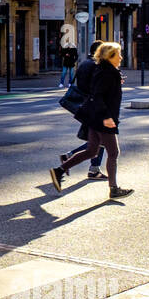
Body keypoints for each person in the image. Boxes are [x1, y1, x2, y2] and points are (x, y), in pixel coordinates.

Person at [50, 41, 131, 199]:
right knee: (113, 153)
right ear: (110, 56)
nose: (121, 57)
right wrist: (107, 117)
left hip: (93, 116)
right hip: (102, 118)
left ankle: (58, 171)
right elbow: (98, 95)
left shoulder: (105, 70)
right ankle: (114, 189)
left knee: (92, 150)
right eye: (118, 54)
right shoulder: (108, 72)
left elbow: (99, 90)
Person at [59, 40, 106, 180]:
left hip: (84, 105)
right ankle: (88, 167)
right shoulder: (96, 65)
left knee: (97, 140)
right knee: (100, 139)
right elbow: (98, 87)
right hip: (93, 107)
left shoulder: (84, 63)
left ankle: (86, 165)